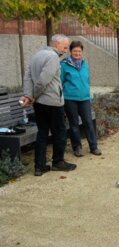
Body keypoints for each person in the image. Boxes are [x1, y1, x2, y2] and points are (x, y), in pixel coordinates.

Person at [20, 34, 77, 176]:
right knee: (60, 132)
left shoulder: (36, 55)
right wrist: (33, 95)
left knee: (42, 133)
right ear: (56, 44)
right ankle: (58, 162)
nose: (65, 50)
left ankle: (39, 167)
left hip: (39, 103)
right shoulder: (52, 57)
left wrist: (28, 95)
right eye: (64, 47)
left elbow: (27, 77)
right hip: (52, 102)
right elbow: (43, 81)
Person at [60, 41, 101, 157]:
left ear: (82, 52)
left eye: (79, 51)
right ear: (70, 51)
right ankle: (77, 147)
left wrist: (89, 95)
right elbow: (60, 82)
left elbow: (87, 80)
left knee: (88, 122)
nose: (77, 53)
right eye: (75, 51)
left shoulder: (85, 64)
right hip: (70, 99)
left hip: (85, 99)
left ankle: (94, 147)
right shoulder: (63, 65)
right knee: (74, 124)